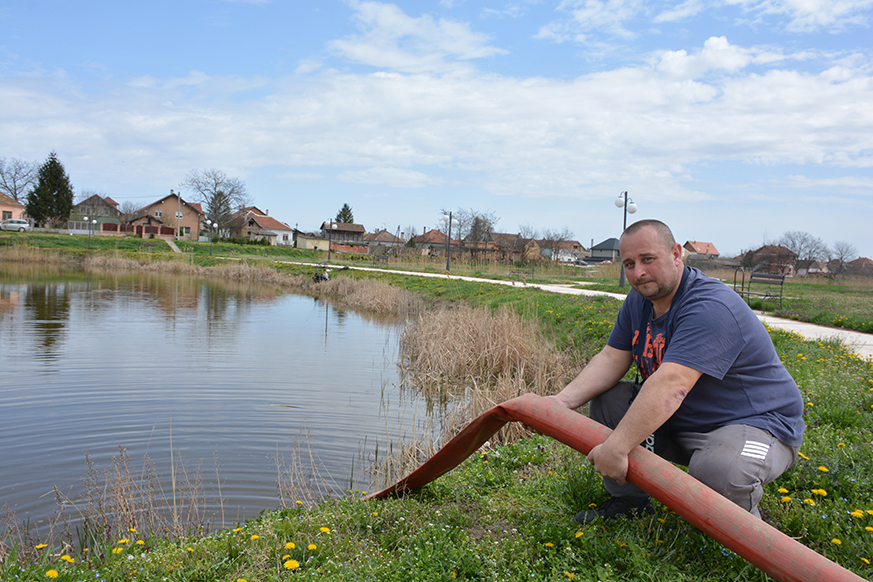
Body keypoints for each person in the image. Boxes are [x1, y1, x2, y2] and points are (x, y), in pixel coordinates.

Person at [550, 219, 804, 523]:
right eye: (629, 264)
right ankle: (632, 504)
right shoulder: (640, 301)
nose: (638, 273)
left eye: (647, 259)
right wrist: (559, 403)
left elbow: (673, 384)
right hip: (683, 420)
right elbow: (610, 358)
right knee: (607, 402)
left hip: (754, 424)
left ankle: (749, 535)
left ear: (675, 254)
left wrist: (616, 447)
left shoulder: (710, 306)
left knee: (718, 472)